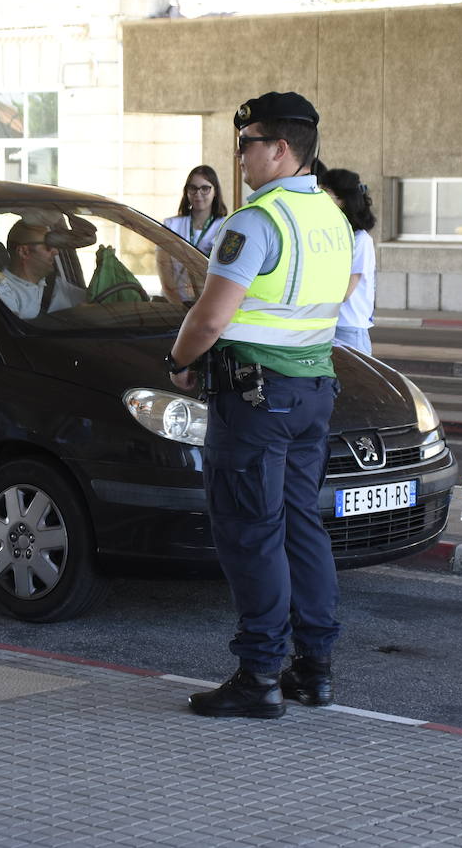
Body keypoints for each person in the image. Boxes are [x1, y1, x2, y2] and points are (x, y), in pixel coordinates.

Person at [167, 91, 353, 719]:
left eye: (247, 143)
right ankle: (315, 669)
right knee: (302, 524)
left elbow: (211, 313)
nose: (239, 157)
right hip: (313, 392)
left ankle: (259, 676)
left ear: (280, 147)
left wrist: (181, 361)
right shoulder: (332, 217)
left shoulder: (255, 221)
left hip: (255, 397)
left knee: (251, 531)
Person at [317, 167, 377, 354]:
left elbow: (345, 290)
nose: (319, 199)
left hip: (349, 330)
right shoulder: (337, 236)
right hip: (330, 326)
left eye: (325, 193)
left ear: (342, 201)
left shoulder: (360, 240)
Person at [0, 219, 86, 319]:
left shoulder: (54, 284)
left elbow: (91, 303)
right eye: (49, 246)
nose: (56, 252)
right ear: (24, 252)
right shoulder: (1, 290)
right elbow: (14, 330)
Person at [159, 165, 228, 304]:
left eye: (205, 188)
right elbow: (164, 269)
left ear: (215, 191)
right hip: (174, 304)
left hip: (210, 303)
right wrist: (178, 305)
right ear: (186, 192)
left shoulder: (226, 226)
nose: (198, 194)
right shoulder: (171, 225)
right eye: (193, 188)